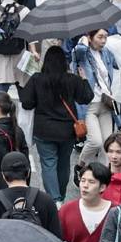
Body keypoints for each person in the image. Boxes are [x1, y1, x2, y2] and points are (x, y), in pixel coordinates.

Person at [20, 44, 95, 200]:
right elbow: (86, 97)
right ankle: (61, 195)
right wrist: (84, 79)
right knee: (63, 164)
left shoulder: (37, 79)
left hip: (44, 131)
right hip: (67, 131)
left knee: (48, 164)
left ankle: (55, 200)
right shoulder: (72, 80)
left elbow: (27, 103)